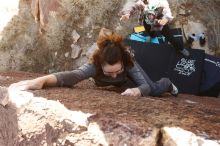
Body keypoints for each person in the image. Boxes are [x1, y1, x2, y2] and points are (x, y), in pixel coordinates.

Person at [10, 33, 178, 97]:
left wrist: (138, 90)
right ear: (100, 65)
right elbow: (73, 76)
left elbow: (144, 86)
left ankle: (168, 83)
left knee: (153, 90)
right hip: (121, 84)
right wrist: (42, 81)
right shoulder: (94, 65)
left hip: (129, 79)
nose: (113, 74)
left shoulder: (128, 62)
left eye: (117, 70)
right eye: (108, 72)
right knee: (121, 84)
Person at [119, 0, 190, 57]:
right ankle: (152, 36)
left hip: (159, 22)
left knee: (170, 38)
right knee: (149, 31)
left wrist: (166, 18)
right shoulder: (140, 1)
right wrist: (127, 13)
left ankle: (181, 48)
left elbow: (167, 10)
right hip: (147, 21)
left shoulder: (161, 2)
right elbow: (132, 5)